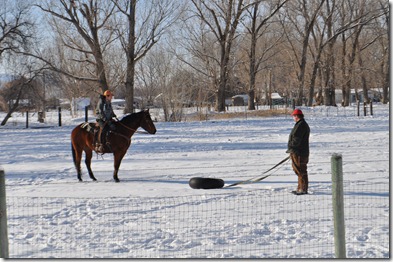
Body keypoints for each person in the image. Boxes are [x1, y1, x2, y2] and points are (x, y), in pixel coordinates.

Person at [286, 108, 310, 195]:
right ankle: (300, 188)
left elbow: (296, 139)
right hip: (298, 151)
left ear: (297, 116)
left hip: (299, 153)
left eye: (293, 116)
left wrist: (292, 147)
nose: (293, 118)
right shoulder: (300, 124)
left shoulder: (301, 125)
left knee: (301, 170)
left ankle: (303, 189)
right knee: (298, 170)